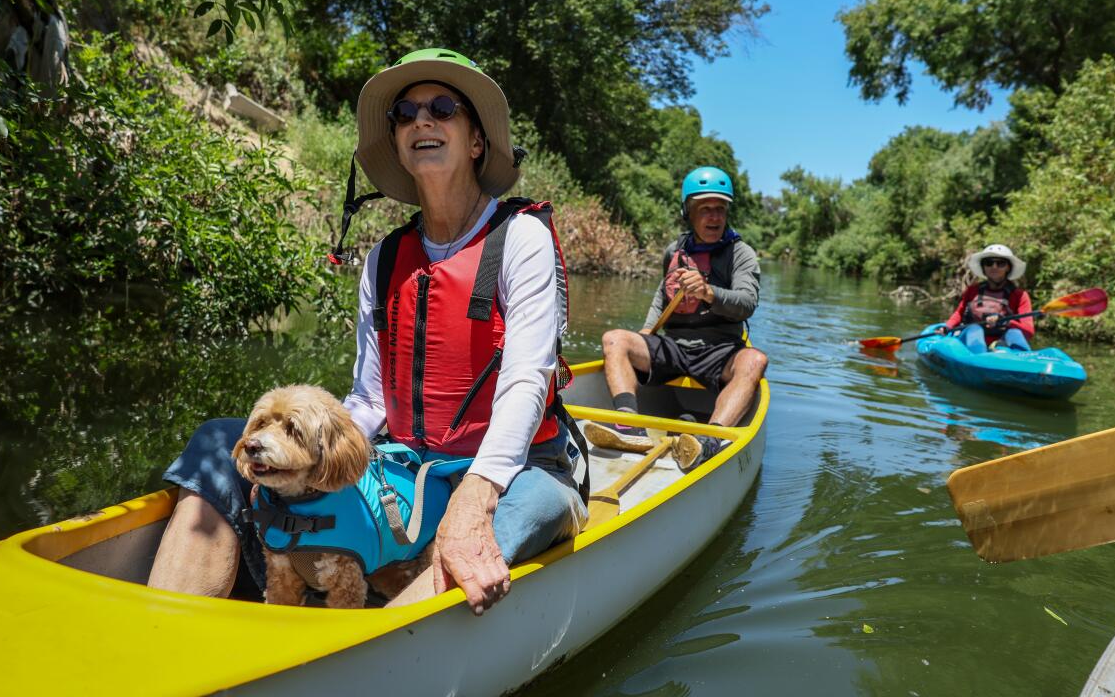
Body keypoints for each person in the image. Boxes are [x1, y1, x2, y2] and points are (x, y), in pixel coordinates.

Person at [148, 48, 586, 615]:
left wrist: (477, 495)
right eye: (405, 113)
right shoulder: (383, 258)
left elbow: (527, 378)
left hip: (520, 469)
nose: (421, 120)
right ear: (399, 144)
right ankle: (167, 632)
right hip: (404, 464)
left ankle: (371, 649)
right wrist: (308, 454)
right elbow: (371, 398)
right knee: (215, 444)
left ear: (477, 141)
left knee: (502, 524)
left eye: (443, 108)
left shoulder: (522, 239)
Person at [598, 166, 767, 470]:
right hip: (673, 346)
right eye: (705, 209)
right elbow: (663, 294)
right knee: (615, 340)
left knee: (755, 361)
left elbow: (747, 303)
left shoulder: (741, 254)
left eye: (720, 209)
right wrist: (648, 329)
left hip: (720, 351)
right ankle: (629, 427)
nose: (714, 216)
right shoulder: (674, 251)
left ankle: (709, 441)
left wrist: (709, 292)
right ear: (688, 211)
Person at [939, 243, 1034, 354]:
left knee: (1014, 333)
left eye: (1000, 263)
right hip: (970, 337)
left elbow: (1029, 330)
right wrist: (947, 326)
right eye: (989, 263)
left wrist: (1006, 322)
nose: (994, 267)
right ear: (983, 267)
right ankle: (980, 356)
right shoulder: (972, 290)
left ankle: (1023, 359)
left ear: (1008, 267)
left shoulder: (1020, 295)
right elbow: (959, 314)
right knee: (975, 329)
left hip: (1001, 343)